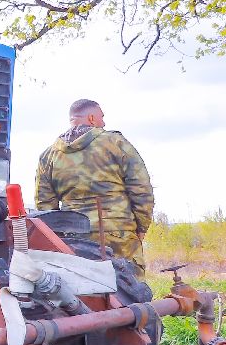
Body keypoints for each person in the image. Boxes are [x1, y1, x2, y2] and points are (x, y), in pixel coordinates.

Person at [34, 98, 154, 272]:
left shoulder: (49, 155)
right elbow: (141, 189)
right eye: (101, 117)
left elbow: (44, 206)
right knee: (130, 293)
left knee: (83, 294)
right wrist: (141, 228)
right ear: (91, 118)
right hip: (118, 234)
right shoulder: (116, 143)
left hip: (75, 240)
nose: (103, 122)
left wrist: (60, 239)